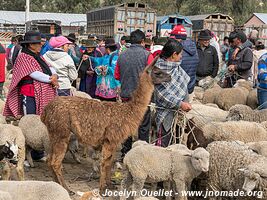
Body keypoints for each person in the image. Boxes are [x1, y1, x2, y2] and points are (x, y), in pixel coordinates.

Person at [115, 29, 154, 158]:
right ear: (143, 41)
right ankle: (142, 154)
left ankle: (125, 152)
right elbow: (151, 76)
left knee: (126, 125)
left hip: (126, 96)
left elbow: (117, 75)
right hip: (141, 99)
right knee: (143, 126)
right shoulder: (147, 55)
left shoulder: (122, 55)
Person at [4, 31, 58, 118]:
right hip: (30, 93)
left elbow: (49, 66)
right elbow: (33, 73)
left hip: (43, 92)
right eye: (38, 43)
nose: (41, 45)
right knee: (30, 118)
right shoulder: (24, 57)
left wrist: (54, 75)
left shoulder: (38, 56)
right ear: (31, 45)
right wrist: (51, 79)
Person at [154, 39, 192, 147]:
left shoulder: (176, 67)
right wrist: (180, 104)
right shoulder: (158, 70)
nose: (181, 57)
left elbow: (183, 85)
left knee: (176, 145)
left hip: (178, 114)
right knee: (163, 145)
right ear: (174, 54)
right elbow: (162, 95)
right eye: (180, 54)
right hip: (165, 115)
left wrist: (186, 101)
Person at [170, 24, 199, 95]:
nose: (172, 41)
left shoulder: (178, 50)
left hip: (178, 90)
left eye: (173, 38)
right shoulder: (194, 48)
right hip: (190, 88)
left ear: (178, 38)